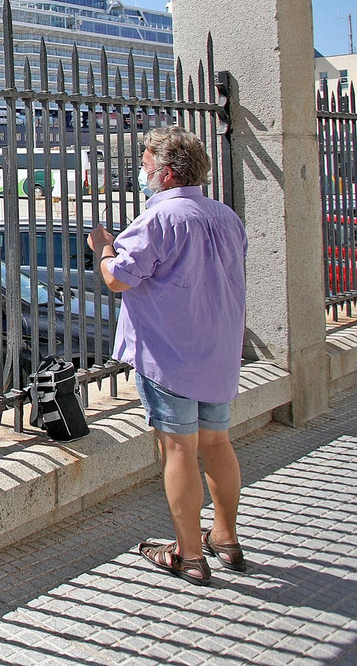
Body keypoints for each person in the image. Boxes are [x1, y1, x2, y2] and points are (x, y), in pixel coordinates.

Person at [87, 126, 248, 585]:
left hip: (171, 354)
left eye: (144, 165)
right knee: (218, 443)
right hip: (218, 351)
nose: (141, 173)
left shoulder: (158, 219)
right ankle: (226, 537)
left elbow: (119, 278)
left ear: (167, 173)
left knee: (177, 448)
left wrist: (102, 249)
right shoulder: (224, 217)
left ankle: (189, 553)